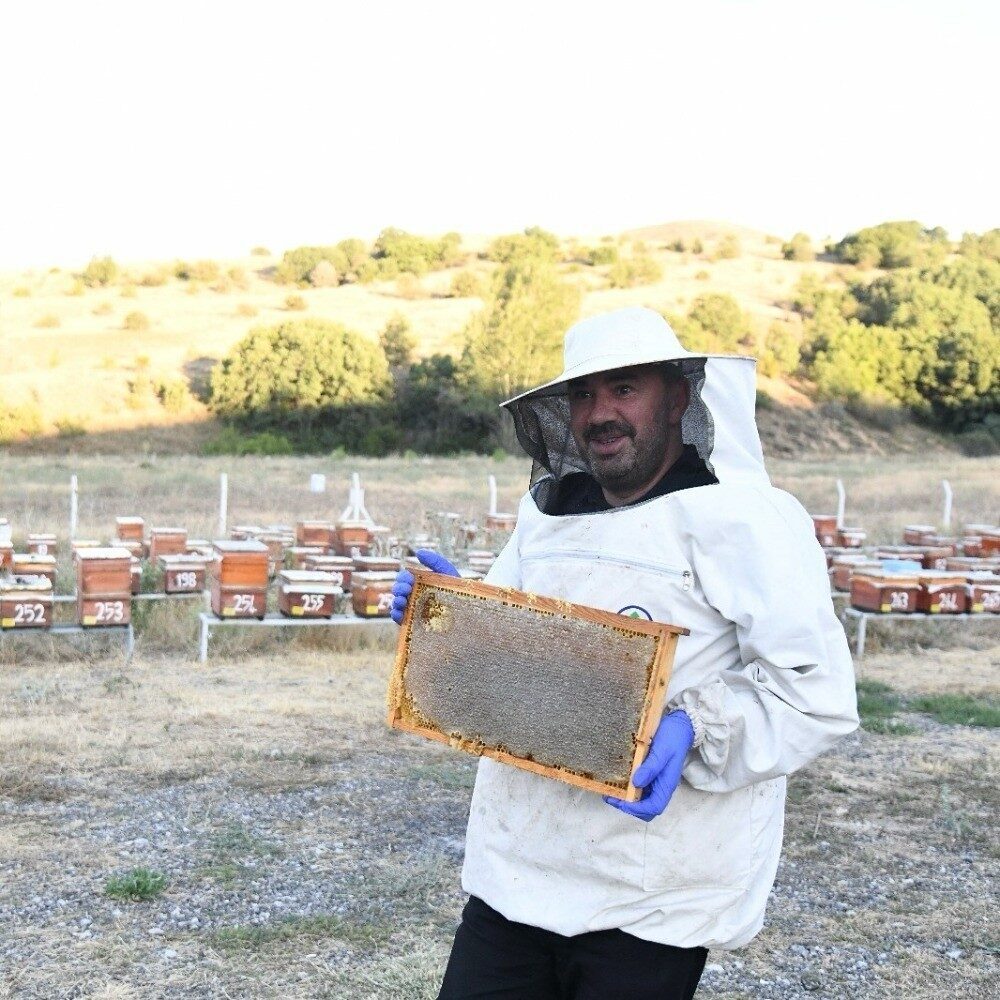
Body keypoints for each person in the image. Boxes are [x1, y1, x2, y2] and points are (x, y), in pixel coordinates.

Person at [391, 306, 859, 1000]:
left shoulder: (744, 519)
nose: (600, 412)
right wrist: (455, 615)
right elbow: (508, 660)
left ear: (677, 398)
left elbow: (816, 693)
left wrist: (696, 725)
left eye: (624, 388)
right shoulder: (547, 516)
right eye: (583, 394)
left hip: (652, 898)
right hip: (516, 871)